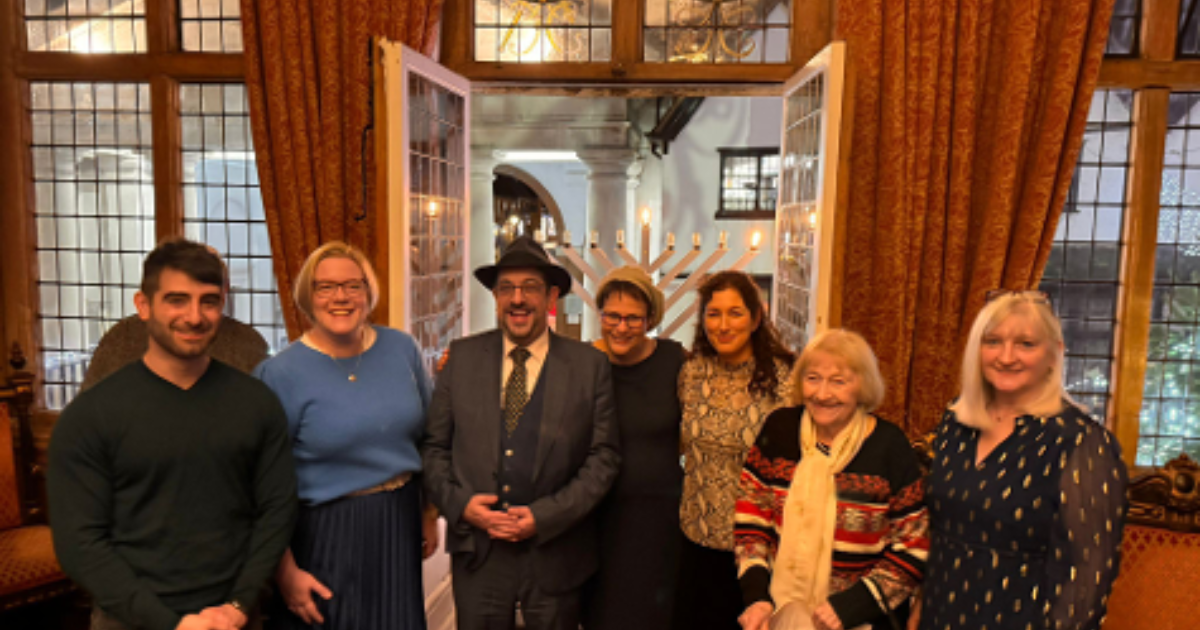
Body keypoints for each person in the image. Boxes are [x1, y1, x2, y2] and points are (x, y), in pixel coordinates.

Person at [48, 238, 297, 630]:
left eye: (209, 301)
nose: (194, 316)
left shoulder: (256, 403)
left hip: (234, 620)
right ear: (143, 305)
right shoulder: (90, 416)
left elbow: (276, 510)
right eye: (177, 300)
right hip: (129, 620)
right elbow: (80, 543)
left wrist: (237, 604)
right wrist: (171, 625)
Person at [422, 235, 620, 630]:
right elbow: (434, 449)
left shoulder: (589, 366)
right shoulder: (460, 359)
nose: (517, 299)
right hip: (479, 555)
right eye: (506, 288)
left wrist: (544, 516)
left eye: (530, 288)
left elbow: (604, 458)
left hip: (556, 553)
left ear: (551, 298)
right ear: (495, 298)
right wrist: (461, 506)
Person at [919, 291, 1128, 630]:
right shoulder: (955, 422)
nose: (1006, 356)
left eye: (1025, 344)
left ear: (1054, 354)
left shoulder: (1082, 442)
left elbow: (1088, 577)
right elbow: (939, 532)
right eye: (993, 342)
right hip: (941, 613)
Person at [253, 241, 435, 630]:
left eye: (353, 285)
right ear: (307, 296)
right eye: (325, 287)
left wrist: (429, 512)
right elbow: (260, 484)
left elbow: (430, 437)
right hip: (323, 534)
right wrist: (284, 572)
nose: (341, 297)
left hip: (398, 522)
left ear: (369, 293)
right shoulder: (279, 374)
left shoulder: (402, 349)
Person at [734, 329, 929, 630]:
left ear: (862, 387)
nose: (822, 394)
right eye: (813, 378)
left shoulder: (889, 446)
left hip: (860, 621)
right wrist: (757, 597)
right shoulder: (780, 430)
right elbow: (751, 519)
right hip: (779, 614)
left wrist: (851, 606)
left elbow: (913, 545)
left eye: (838, 381)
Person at [674, 270, 796, 630]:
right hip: (696, 541)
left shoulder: (785, 379)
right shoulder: (691, 373)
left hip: (758, 553)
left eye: (735, 313)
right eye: (714, 314)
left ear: (757, 318)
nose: (723, 325)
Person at [582, 266, 687, 630]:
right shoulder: (580, 363)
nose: (621, 327)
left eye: (633, 318)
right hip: (596, 518)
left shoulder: (675, 360)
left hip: (660, 522)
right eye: (612, 315)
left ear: (651, 319)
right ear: (600, 313)